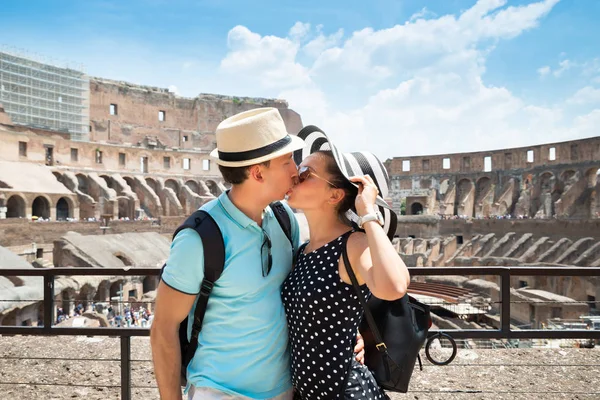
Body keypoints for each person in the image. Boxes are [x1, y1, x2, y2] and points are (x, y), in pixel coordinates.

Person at [151, 108, 306, 400]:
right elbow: (163, 328)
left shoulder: (285, 219)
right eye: (287, 161)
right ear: (258, 172)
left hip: (283, 391)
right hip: (219, 392)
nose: (295, 171)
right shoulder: (199, 238)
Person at [283, 126, 411, 399]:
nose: (294, 176)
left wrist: (368, 213)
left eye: (305, 174)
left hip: (347, 392)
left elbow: (395, 286)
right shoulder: (304, 250)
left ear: (335, 195)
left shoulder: (353, 245)